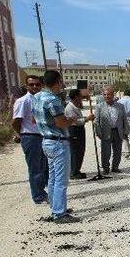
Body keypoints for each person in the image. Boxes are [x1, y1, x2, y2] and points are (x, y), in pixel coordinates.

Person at [32, 70, 79, 223]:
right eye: (61, 81)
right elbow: (60, 122)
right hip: (58, 142)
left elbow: (34, 119)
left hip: (47, 141)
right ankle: (59, 213)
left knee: (52, 178)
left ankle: (56, 206)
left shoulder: (37, 97)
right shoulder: (53, 99)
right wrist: (71, 119)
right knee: (61, 180)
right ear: (58, 81)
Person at [12, 75, 48, 203]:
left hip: (42, 136)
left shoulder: (41, 99)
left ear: (41, 85)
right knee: (35, 168)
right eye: (31, 84)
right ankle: (38, 196)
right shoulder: (23, 101)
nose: (35, 87)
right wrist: (21, 134)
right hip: (31, 137)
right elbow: (16, 121)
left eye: (37, 84)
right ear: (26, 86)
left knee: (44, 166)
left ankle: (42, 191)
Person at [94, 87, 127, 174]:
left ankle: (115, 167)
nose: (107, 96)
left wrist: (125, 131)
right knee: (106, 151)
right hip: (105, 132)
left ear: (113, 95)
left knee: (117, 151)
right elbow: (96, 121)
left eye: (109, 94)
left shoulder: (120, 106)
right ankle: (106, 168)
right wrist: (98, 132)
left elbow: (124, 120)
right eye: (105, 94)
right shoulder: (99, 106)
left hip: (117, 131)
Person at [65, 88, 94, 179]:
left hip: (79, 130)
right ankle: (73, 172)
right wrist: (87, 119)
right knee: (75, 152)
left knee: (80, 151)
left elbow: (78, 118)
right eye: (80, 96)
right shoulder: (70, 108)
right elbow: (75, 122)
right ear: (76, 97)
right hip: (74, 130)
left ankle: (77, 170)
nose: (82, 97)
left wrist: (86, 118)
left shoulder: (75, 106)